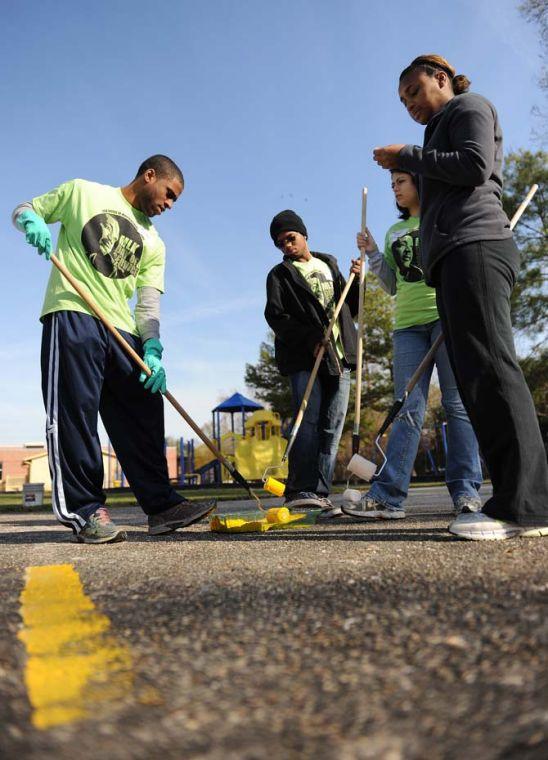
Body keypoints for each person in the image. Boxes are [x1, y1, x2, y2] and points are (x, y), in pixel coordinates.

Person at [373, 54, 548, 540]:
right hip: (451, 259)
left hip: (477, 247)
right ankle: (511, 499)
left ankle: (530, 505)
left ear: (441, 78)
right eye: (402, 99)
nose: (409, 103)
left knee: (492, 368)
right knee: (474, 381)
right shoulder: (435, 132)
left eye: (414, 90)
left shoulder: (468, 107)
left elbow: (474, 166)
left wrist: (406, 155)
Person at [12, 155, 216, 544]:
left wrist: (152, 346)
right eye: (169, 194)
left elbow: (148, 300)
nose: (169, 205)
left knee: (143, 409)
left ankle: (161, 506)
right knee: (75, 415)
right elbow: (26, 208)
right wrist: (30, 221)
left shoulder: (154, 241)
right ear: (149, 175)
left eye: (175, 201)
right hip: (73, 312)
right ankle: (84, 510)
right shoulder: (82, 192)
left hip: (123, 331)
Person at [342, 170, 482, 520]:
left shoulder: (442, 217)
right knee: (408, 407)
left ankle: (466, 492)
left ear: (420, 182)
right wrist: (373, 251)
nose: (395, 189)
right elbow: (391, 284)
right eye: (392, 185)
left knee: (456, 403)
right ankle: (390, 497)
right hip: (406, 327)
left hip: (445, 317)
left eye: (400, 181)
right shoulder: (393, 232)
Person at [265, 210, 361, 516]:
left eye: (290, 238)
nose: (287, 246)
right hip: (305, 357)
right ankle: (300, 490)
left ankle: (321, 492)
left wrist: (357, 281)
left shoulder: (329, 264)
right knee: (308, 420)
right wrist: (309, 337)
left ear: (304, 235)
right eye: (280, 243)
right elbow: (276, 317)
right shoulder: (279, 275)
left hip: (339, 355)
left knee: (332, 425)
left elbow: (352, 307)